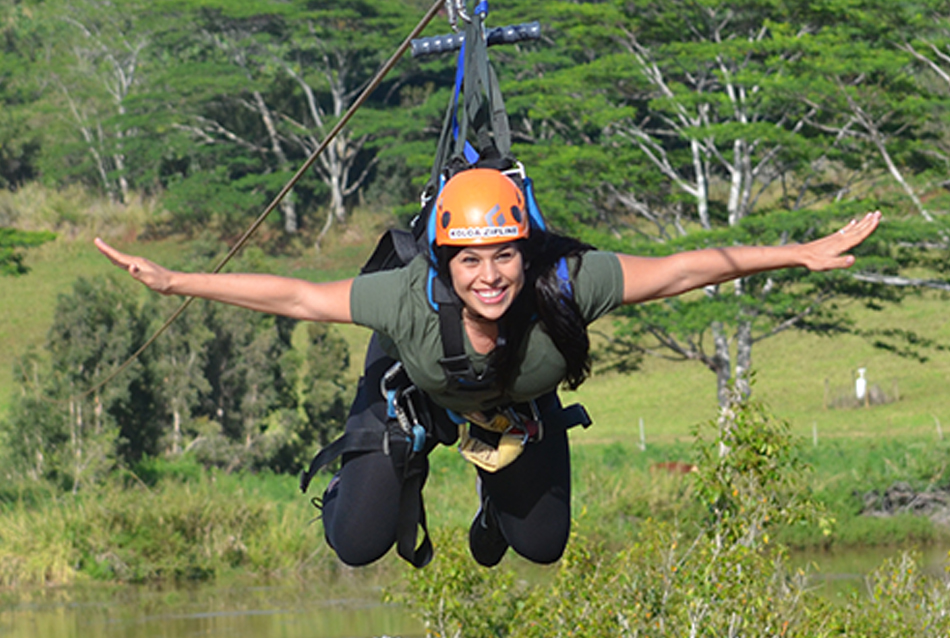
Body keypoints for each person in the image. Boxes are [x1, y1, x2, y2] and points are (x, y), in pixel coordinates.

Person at [95, 168, 881, 568]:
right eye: (470, 261)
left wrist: (798, 253)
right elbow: (298, 296)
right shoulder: (409, 297)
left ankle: (490, 490)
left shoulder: (568, 284)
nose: (490, 276)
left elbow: (686, 268)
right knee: (359, 543)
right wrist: (176, 281)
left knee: (541, 545)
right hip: (413, 395)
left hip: (511, 411)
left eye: (504, 255)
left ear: (525, 254)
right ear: (446, 264)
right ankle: (384, 466)